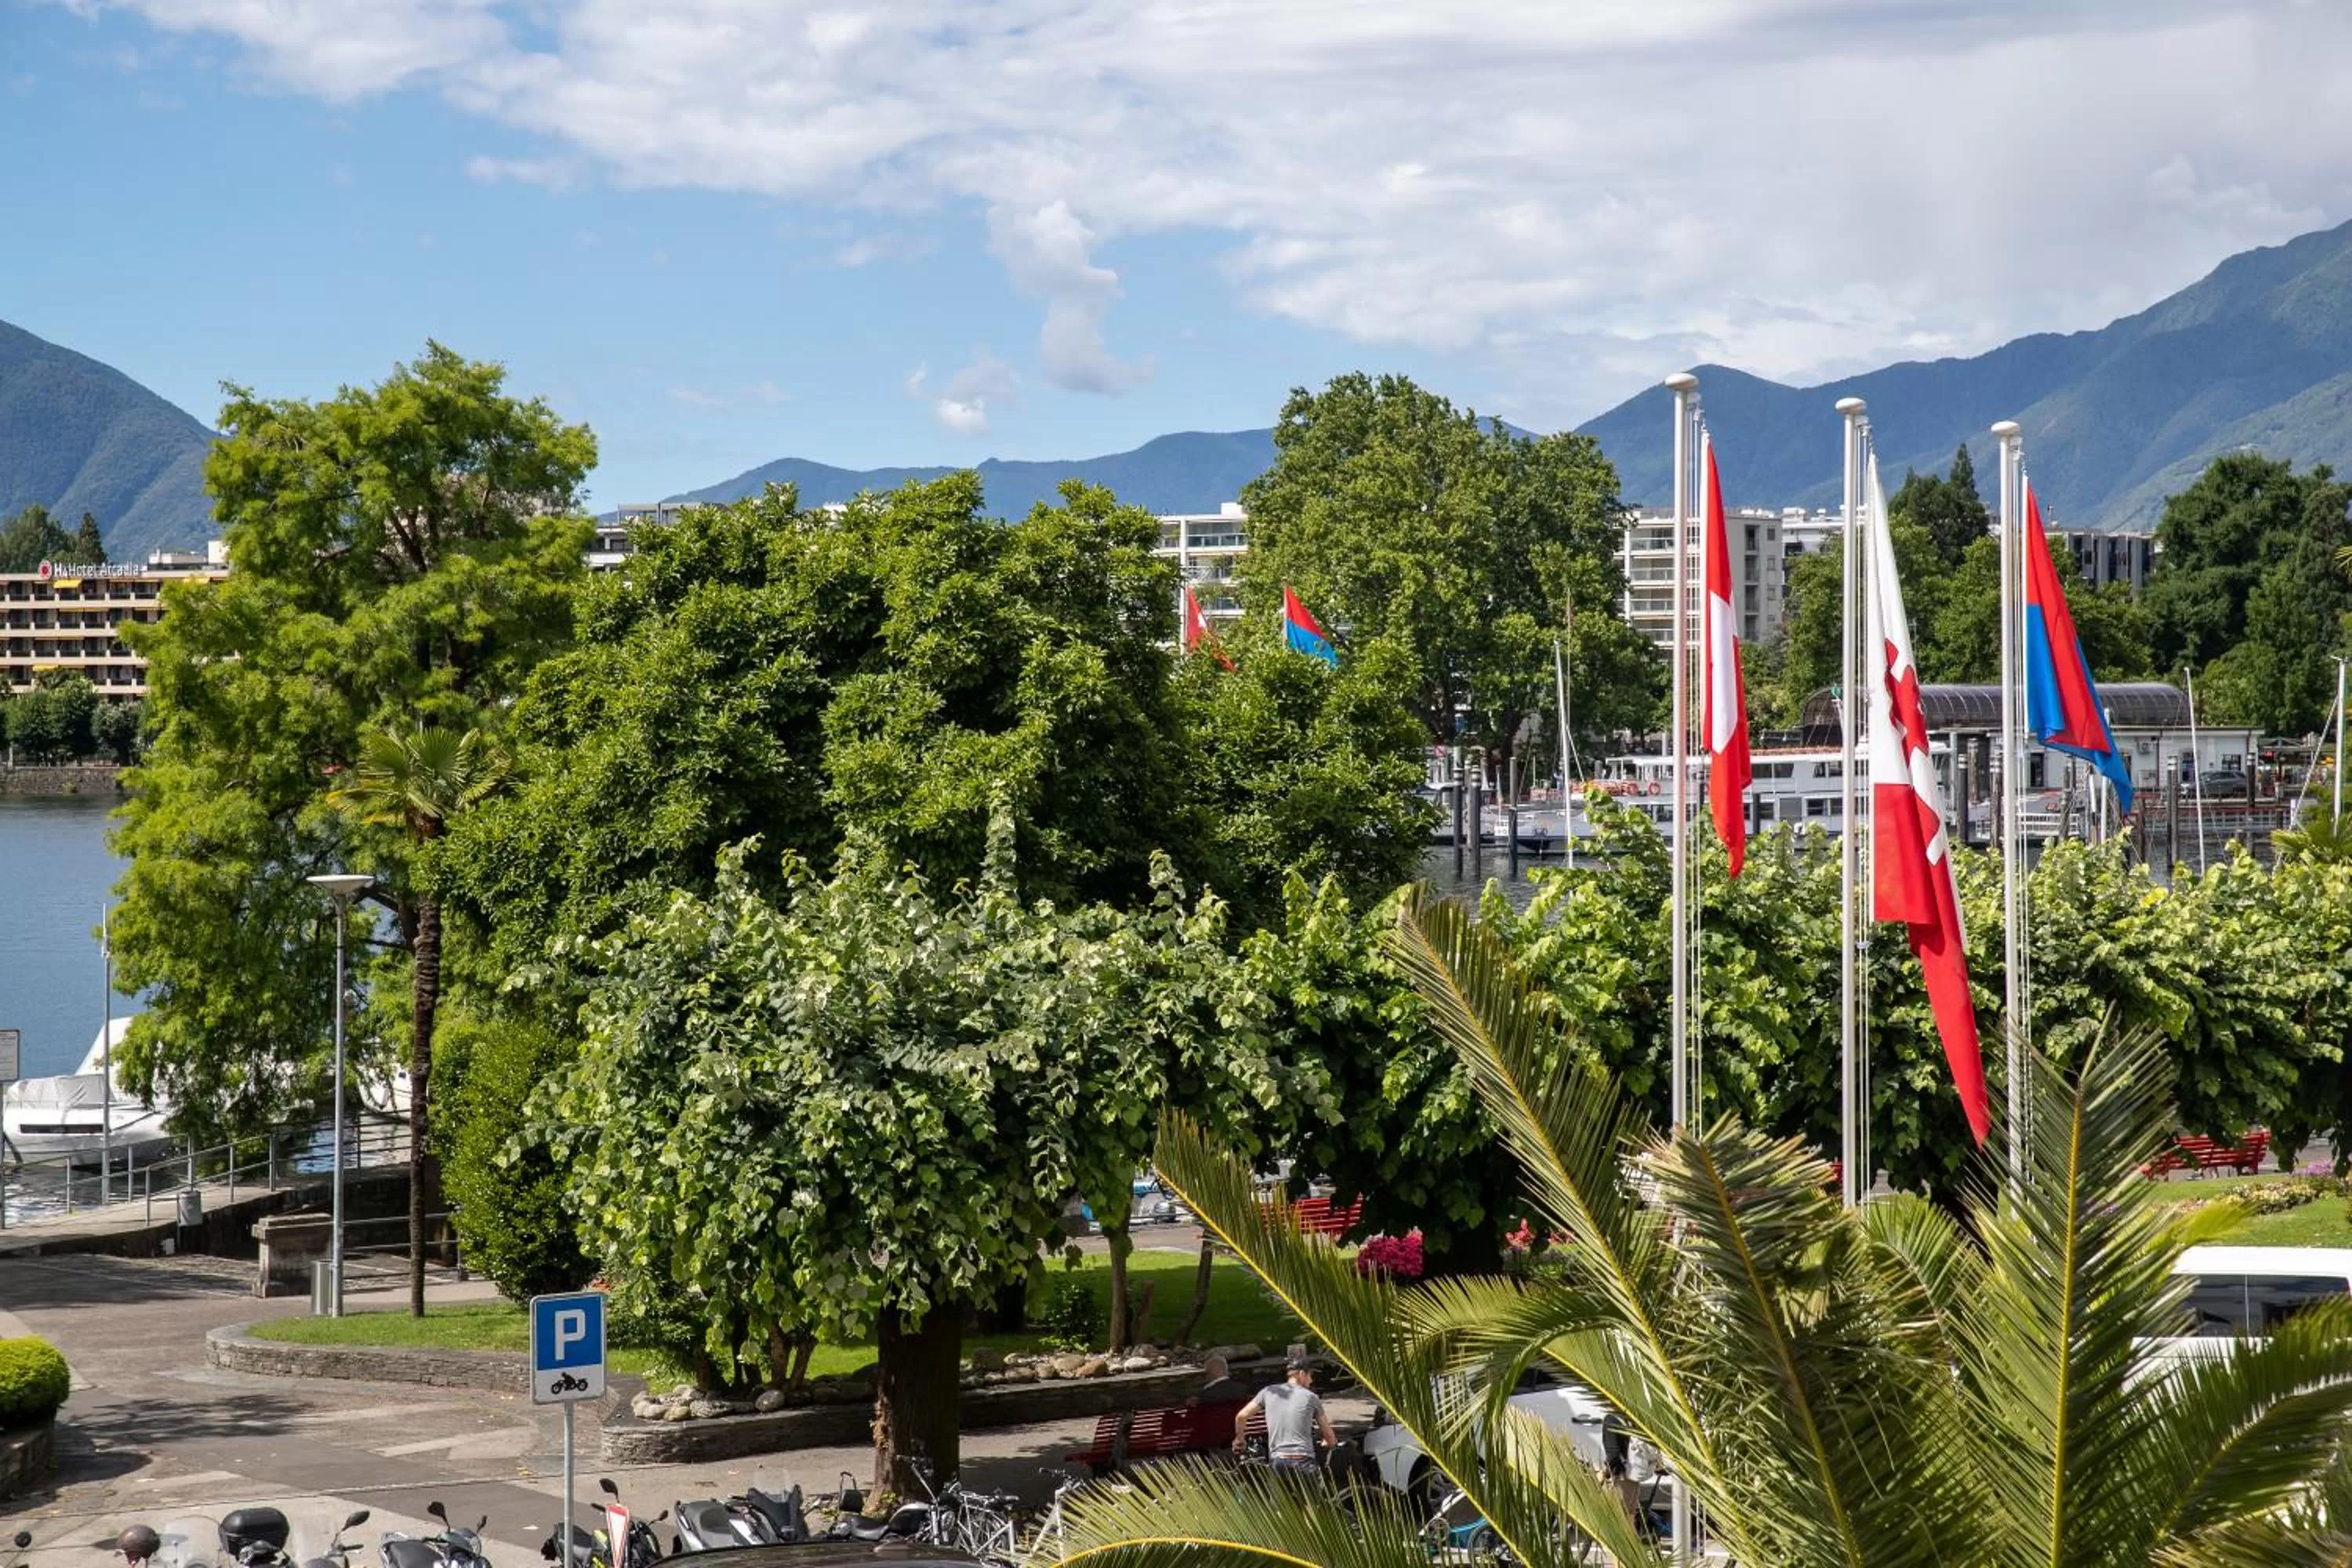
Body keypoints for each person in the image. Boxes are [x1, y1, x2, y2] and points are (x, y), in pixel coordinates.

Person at [1234, 1350, 1336, 1475]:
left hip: (1278, 1462)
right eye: (1310, 1376)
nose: (1311, 1381)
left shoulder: (1268, 1392)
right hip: (1304, 1461)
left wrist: (1240, 1439)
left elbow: (1241, 1416)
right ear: (1301, 1374)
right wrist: (1327, 1443)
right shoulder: (1311, 1397)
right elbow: (1330, 1437)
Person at [1191, 1352, 1255, 1406]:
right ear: (1226, 1370)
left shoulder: (1205, 1396)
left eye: (1207, 1373)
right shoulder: (1244, 1389)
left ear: (1210, 1373)